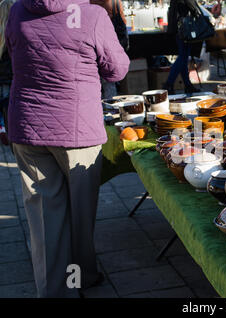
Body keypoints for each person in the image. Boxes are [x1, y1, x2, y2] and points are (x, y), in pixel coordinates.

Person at [6, 0, 130, 297]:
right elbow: (117, 70)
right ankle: (83, 275)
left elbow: (13, 53)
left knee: (45, 214)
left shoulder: (18, 9)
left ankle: (57, 290)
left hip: (28, 124)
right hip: (77, 129)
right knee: (80, 210)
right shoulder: (92, 15)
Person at [91, 0, 128, 99]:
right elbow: (122, 19)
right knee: (109, 80)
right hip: (111, 41)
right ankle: (109, 105)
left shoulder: (88, 2)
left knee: (95, 79)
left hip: (93, 41)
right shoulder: (114, 1)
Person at [164, 0, 201, 95]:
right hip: (184, 27)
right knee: (183, 57)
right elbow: (193, 6)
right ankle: (169, 84)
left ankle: (187, 85)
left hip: (180, 27)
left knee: (183, 57)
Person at [0, 0, 15, 146]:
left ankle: (2, 127)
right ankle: (5, 128)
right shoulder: (14, 31)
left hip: (1, 78)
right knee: (8, 104)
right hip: (10, 77)